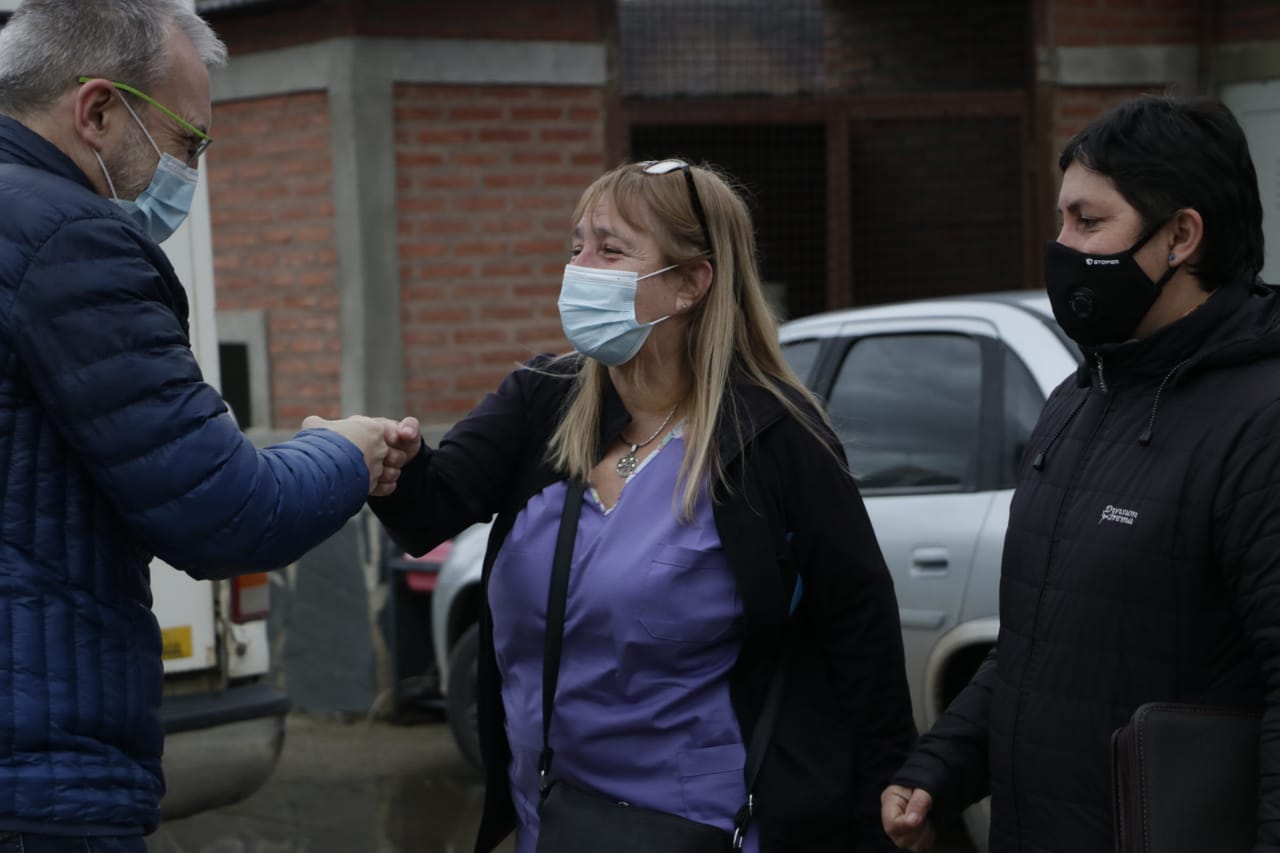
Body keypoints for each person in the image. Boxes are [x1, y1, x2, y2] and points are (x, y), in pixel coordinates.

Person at [369, 158, 916, 851]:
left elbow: (861, 636)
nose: (579, 269)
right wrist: (381, 457)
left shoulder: (775, 439)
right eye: (576, 247)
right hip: (553, 821)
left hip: (703, 824)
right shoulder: (541, 399)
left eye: (610, 249)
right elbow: (430, 509)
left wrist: (884, 809)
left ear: (691, 283)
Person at [0, 1, 403, 849]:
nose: (190, 170)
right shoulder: (68, 241)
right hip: (38, 780)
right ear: (98, 111)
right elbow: (225, 511)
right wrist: (346, 451)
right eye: (188, 142)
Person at [882, 94, 1280, 852]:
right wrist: (943, 767)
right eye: (1062, 220)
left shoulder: (1261, 419)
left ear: (1181, 236)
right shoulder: (1080, 396)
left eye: (1088, 222)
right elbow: (1042, 642)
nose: (1062, 245)